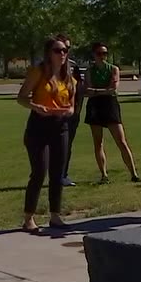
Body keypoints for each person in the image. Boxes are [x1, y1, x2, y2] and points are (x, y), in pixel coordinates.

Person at [16, 36, 76, 233]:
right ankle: (28, 218)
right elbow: (22, 98)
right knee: (39, 172)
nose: (63, 54)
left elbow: (72, 105)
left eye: (65, 50)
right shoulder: (38, 72)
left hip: (60, 126)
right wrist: (37, 107)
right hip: (38, 126)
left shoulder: (68, 76)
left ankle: (55, 215)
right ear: (48, 54)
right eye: (58, 50)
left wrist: (69, 111)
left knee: (58, 173)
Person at [83, 42, 140, 184]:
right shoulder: (89, 71)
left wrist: (97, 91)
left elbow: (113, 89)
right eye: (99, 53)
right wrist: (103, 90)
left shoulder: (113, 69)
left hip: (110, 105)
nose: (102, 56)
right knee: (98, 142)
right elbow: (88, 90)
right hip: (95, 106)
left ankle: (133, 174)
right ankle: (104, 175)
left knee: (121, 141)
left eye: (105, 54)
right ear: (94, 55)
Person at [56, 33, 85, 188]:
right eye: (61, 48)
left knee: (67, 144)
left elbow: (79, 89)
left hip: (72, 113)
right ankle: (53, 174)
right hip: (55, 113)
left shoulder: (73, 66)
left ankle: (63, 174)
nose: (64, 52)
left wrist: (77, 109)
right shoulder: (50, 66)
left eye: (67, 48)